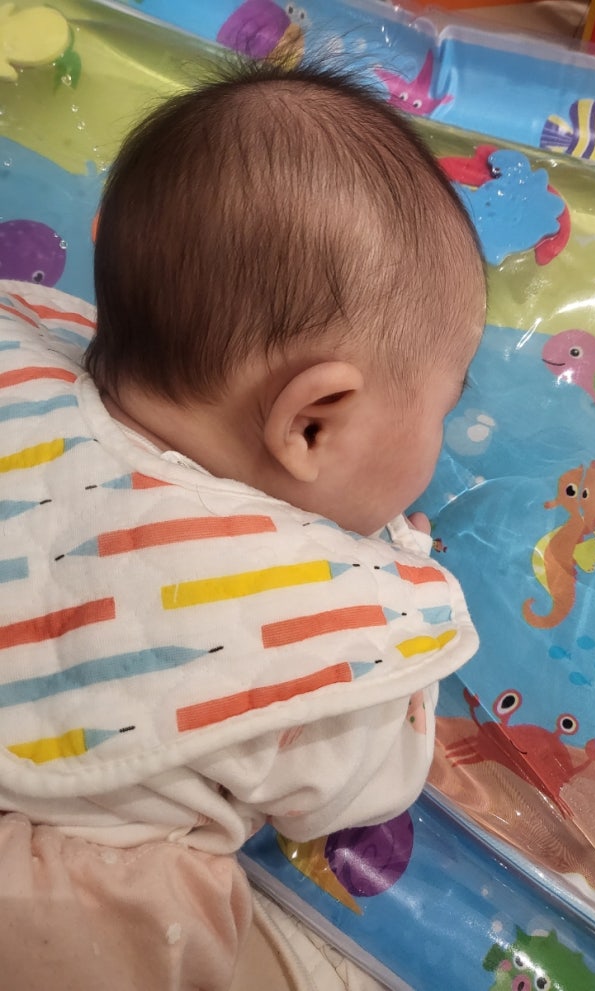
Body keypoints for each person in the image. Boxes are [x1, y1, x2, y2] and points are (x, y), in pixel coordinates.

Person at [0, 57, 486, 990]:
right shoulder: (301, 620)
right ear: (312, 424)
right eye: (443, 406)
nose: (442, 434)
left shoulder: (29, 364)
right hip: (45, 890)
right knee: (172, 915)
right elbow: (362, 788)